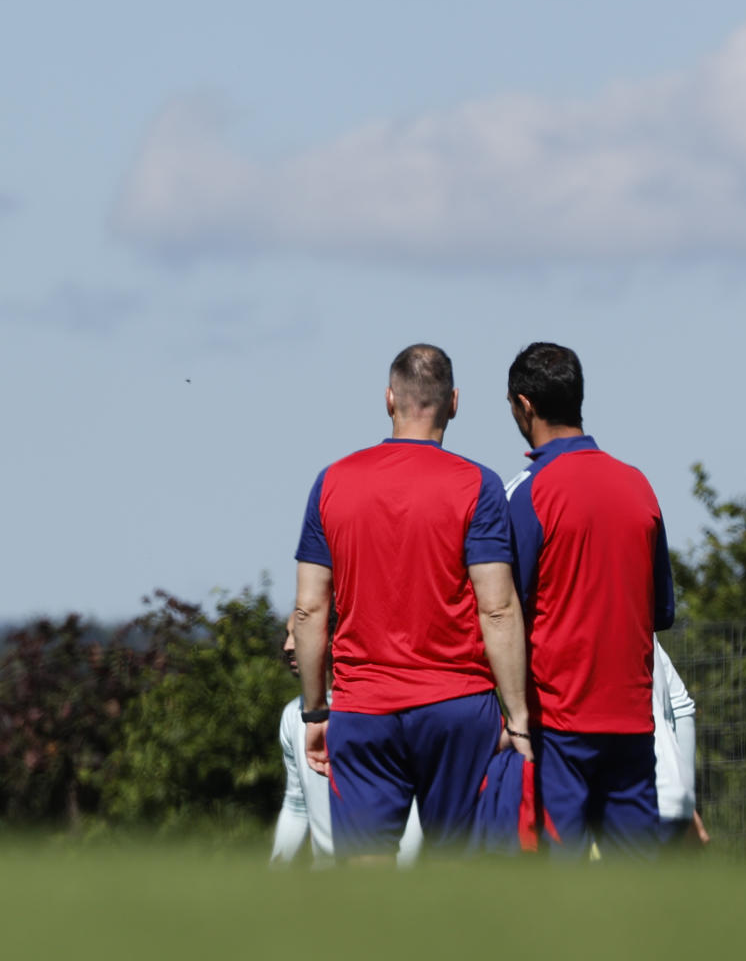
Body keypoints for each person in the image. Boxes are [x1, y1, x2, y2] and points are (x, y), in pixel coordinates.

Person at [292, 344, 532, 860]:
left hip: (364, 709)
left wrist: (316, 712)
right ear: (454, 403)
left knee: (365, 880)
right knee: (455, 876)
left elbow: (310, 610)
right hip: (458, 708)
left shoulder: (332, 482)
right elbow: (497, 608)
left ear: (388, 400)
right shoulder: (479, 485)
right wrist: (518, 717)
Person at [504, 342, 675, 859]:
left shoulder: (530, 492)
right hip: (630, 720)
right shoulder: (638, 485)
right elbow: (660, 610)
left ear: (524, 405)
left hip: (559, 725)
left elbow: (504, 610)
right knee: (638, 889)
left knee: (558, 891)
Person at [270, 619, 422, 867]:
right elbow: (297, 803)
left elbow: (413, 800)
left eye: (298, 636)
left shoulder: (380, 710)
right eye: (287, 635)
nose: (287, 646)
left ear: (334, 638)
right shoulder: (291, 715)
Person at [651, 639, 705, 846]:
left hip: (620, 803)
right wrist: (685, 796)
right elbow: (681, 704)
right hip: (668, 798)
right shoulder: (641, 618)